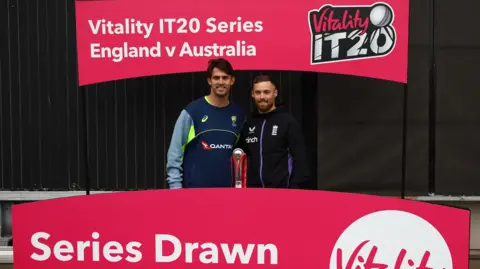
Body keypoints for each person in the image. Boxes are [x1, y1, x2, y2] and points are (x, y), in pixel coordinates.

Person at [166, 58, 246, 189]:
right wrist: (176, 190)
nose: (221, 82)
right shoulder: (192, 112)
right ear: (209, 81)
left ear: (232, 81)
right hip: (194, 194)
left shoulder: (238, 114)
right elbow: (175, 154)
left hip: (227, 194)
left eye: (225, 78)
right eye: (216, 78)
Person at [238, 74, 309, 189]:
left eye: (266, 92)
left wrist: (294, 189)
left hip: (281, 193)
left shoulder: (288, 122)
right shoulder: (248, 124)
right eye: (258, 92)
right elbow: (240, 155)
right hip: (254, 193)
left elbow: (301, 161)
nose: (262, 97)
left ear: (275, 93)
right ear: (252, 94)